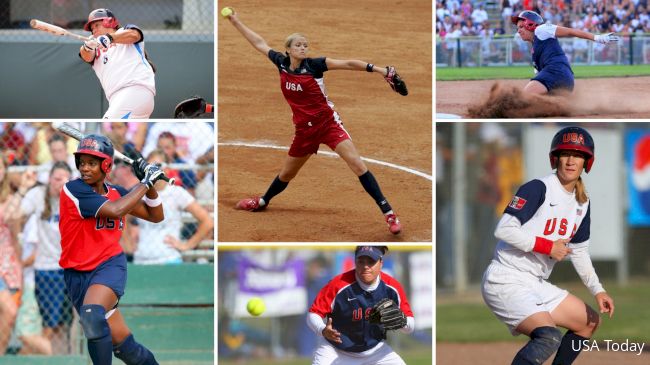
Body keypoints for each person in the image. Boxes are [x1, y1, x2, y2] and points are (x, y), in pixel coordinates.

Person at [226, 10, 403, 234]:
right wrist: (235, 21)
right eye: (298, 45)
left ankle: (389, 214)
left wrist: (379, 70)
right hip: (303, 131)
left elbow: (347, 63)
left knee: (357, 165)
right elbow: (259, 42)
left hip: (328, 125)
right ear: (288, 49)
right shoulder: (280, 62)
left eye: (305, 45)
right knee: (287, 175)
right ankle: (262, 202)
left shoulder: (315, 65)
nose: (303, 47)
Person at [481, 126, 615, 365]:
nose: (571, 160)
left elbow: (580, 251)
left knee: (589, 322)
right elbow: (503, 229)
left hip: (535, 282)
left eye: (579, 154)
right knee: (548, 337)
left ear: (587, 162)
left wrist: (598, 290)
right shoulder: (538, 188)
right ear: (555, 159)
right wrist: (546, 246)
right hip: (506, 279)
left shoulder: (582, 203)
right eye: (565, 154)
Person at [59, 134, 167, 364]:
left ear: (106, 165)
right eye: (82, 162)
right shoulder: (74, 190)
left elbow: (156, 215)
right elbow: (116, 210)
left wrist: (149, 187)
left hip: (108, 266)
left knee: (91, 314)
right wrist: (146, 182)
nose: (85, 168)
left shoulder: (117, 192)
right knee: (125, 346)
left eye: (92, 163)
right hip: (76, 275)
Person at [308, 246, 414, 364]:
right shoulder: (338, 285)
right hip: (335, 350)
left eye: (371, 261)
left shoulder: (391, 288)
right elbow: (313, 314)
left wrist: (402, 322)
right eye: (361, 261)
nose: (365, 266)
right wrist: (322, 329)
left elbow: (410, 326)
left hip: (375, 351)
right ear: (355, 262)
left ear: (381, 263)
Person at [132, 150, 213, 265]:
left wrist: (186, 245)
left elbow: (208, 221)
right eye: (149, 165)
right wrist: (128, 242)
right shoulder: (137, 191)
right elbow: (122, 217)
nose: (152, 169)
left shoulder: (176, 193)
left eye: (158, 165)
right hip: (140, 260)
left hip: (169, 259)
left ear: (167, 169)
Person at [511, 10, 619, 94]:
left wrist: (597, 38)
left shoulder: (541, 30)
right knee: (536, 105)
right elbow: (538, 74)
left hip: (556, 72)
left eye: (521, 26)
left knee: (522, 99)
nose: (519, 31)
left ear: (531, 24)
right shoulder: (534, 49)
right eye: (517, 28)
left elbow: (570, 32)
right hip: (565, 81)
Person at [79, 8, 156, 119]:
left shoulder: (124, 32)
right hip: (117, 99)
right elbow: (85, 56)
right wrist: (87, 47)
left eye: (97, 25)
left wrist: (110, 38)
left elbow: (135, 35)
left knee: (107, 122)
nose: (94, 30)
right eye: (92, 28)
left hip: (134, 90)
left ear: (110, 22)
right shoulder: (95, 48)